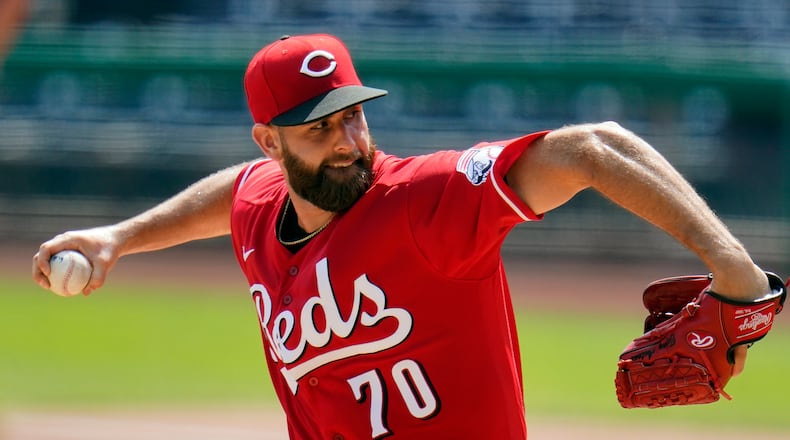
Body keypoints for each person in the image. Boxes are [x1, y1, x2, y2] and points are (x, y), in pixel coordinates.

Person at [32, 34, 773, 439]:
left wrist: (737, 274)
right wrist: (118, 237)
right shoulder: (261, 205)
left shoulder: (427, 202)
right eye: (319, 129)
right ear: (270, 143)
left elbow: (593, 147)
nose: (349, 139)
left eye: (354, 114)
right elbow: (233, 192)